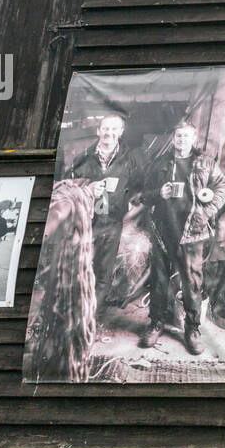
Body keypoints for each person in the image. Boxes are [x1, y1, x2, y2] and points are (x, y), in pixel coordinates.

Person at [139, 118, 225, 354]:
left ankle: (192, 329)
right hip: (162, 231)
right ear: (173, 138)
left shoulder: (205, 163)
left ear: (193, 138)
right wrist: (158, 193)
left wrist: (207, 211)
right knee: (158, 281)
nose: (181, 139)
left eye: (186, 136)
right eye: (178, 135)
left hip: (192, 232)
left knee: (192, 283)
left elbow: (223, 187)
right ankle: (156, 323)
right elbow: (143, 195)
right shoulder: (159, 163)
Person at [64, 114, 141, 311]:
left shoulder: (130, 159)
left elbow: (140, 186)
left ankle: (90, 318)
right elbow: (65, 187)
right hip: (86, 222)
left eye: (114, 129)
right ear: (98, 131)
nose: (109, 133)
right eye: (105, 128)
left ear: (121, 133)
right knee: (79, 268)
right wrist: (87, 188)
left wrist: (130, 201)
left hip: (113, 222)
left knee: (103, 273)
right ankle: (74, 313)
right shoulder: (82, 158)